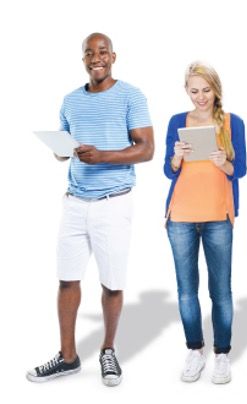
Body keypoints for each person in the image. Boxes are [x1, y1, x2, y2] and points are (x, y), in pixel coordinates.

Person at [26, 32, 154, 387]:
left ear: (113, 56)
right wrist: (61, 150)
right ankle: (68, 357)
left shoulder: (131, 96)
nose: (96, 58)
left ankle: (108, 350)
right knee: (67, 279)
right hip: (74, 202)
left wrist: (104, 156)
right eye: (89, 53)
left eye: (102, 52)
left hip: (113, 203)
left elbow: (146, 149)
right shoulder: (70, 101)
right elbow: (63, 148)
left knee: (112, 282)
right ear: (83, 59)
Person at [163, 62, 247, 384]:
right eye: (194, 90)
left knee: (220, 290)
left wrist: (224, 162)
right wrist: (176, 157)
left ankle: (221, 353)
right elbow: (169, 171)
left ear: (216, 89)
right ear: (186, 91)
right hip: (181, 217)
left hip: (218, 217)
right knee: (186, 290)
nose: (200, 97)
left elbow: (240, 170)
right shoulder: (176, 121)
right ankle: (195, 350)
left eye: (206, 90)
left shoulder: (232, 122)